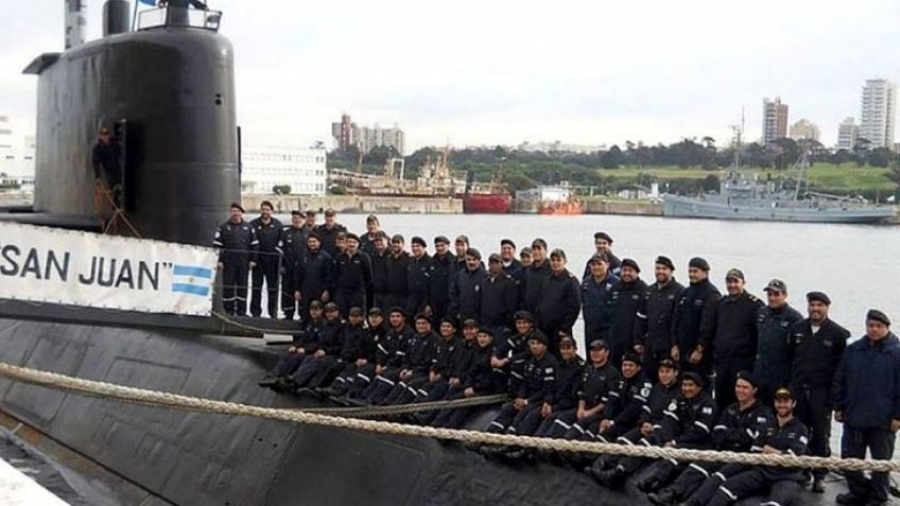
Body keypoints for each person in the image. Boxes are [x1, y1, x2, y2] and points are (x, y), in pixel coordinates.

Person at [647, 371, 772, 506]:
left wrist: (729, 434)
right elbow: (718, 433)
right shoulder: (730, 409)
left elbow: (749, 438)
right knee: (698, 466)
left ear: (754, 390)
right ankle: (671, 494)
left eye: (745, 387)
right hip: (723, 452)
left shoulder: (762, 413)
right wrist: (735, 435)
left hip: (744, 457)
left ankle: (692, 503)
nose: (740, 390)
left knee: (718, 476)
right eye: (738, 386)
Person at [589, 371, 716, 491]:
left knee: (672, 454)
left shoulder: (707, 404)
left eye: (691, 385)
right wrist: (668, 439)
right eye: (684, 385)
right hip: (675, 437)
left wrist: (674, 442)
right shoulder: (680, 398)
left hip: (696, 443)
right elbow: (668, 420)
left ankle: (652, 485)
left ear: (699, 387)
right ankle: (618, 472)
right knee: (648, 440)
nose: (687, 388)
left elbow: (699, 432)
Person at [691, 387, 809, 506]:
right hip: (762, 473)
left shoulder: (801, 428)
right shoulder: (766, 425)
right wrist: (778, 453)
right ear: (774, 403)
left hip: (786, 478)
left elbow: (794, 457)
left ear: (793, 403)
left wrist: (770, 450)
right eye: (779, 401)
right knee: (728, 486)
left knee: (774, 503)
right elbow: (755, 450)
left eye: (786, 401)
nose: (782, 405)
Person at [834, 309, 900, 506]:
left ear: (887, 327)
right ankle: (858, 492)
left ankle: (879, 497)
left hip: (883, 420)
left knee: (880, 463)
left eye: (878, 326)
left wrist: (898, 417)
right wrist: (838, 406)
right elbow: (840, 378)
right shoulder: (854, 350)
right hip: (854, 416)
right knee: (849, 460)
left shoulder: (896, 353)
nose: (874, 329)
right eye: (871, 325)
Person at [787, 290, 850, 493]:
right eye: (812, 305)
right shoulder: (797, 329)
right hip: (799, 390)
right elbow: (790, 358)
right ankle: (802, 470)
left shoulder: (837, 334)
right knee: (800, 431)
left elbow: (842, 369)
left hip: (822, 392)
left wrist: (837, 399)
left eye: (819, 305)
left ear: (827, 307)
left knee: (821, 434)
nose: (815, 309)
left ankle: (820, 475)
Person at [481, 331, 558, 444]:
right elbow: (525, 382)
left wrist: (527, 401)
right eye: (532, 343)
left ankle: (512, 441)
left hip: (540, 399)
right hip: (528, 396)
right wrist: (520, 397)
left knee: (526, 413)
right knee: (508, 409)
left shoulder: (550, 363)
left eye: (538, 344)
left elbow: (548, 388)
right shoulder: (531, 361)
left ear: (545, 346)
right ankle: (489, 436)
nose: (535, 346)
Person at [702, 268, 762, 411]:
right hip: (722, 362)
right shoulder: (721, 304)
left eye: (736, 282)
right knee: (721, 399)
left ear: (743, 282)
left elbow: (760, 334)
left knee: (740, 398)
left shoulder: (754, 304)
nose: (732, 285)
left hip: (742, 361)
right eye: (729, 282)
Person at [540, 339, 620, 441]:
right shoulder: (588, 370)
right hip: (583, 408)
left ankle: (564, 444)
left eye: (598, 350)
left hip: (599, 413)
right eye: (593, 350)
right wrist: (581, 408)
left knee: (573, 432)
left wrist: (589, 412)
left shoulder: (613, 373)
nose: (595, 353)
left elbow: (607, 401)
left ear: (607, 352)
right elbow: (581, 392)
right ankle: (541, 442)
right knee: (560, 418)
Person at [432, 326, 503, 429]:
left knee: (464, 403)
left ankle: (450, 427)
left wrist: (474, 388)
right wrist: (468, 385)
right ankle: (437, 422)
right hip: (473, 384)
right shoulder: (475, 352)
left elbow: (490, 378)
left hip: (487, 388)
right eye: (480, 336)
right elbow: (471, 371)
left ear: (490, 338)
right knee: (453, 394)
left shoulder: (493, 355)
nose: (482, 339)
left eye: (485, 336)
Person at [634, 256, 684, 383]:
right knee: (650, 377)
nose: (660, 271)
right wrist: (638, 341)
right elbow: (641, 317)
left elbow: (681, 323)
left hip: (669, 344)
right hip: (651, 344)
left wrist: (676, 345)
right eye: (658, 268)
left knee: (669, 379)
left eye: (664, 269)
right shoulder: (649, 291)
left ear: (671, 271)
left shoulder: (680, 291)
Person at [753, 279, 802, 404]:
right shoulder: (761, 313)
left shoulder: (794, 318)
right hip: (761, 375)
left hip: (781, 377)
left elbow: (799, 353)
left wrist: (791, 382)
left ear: (784, 295)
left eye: (776, 294)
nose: (772, 298)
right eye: (769, 294)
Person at [672, 257, 720, 378]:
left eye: (695, 271)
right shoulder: (685, 292)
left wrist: (700, 349)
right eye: (690, 271)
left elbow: (709, 325)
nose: (692, 274)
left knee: (698, 382)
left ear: (705, 272)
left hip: (700, 353)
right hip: (682, 349)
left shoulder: (711, 294)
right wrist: (674, 344)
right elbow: (676, 320)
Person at [213, 203, 258, 316]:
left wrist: (253, 260)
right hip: (228, 263)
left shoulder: (249, 228)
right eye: (233, 211)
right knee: (228, 286)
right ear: (230, 212)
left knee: (242, 286)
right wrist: (219, 260)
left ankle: (241, 311)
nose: (235, 213)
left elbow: (254, 245)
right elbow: (217, 245)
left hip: (243, 262)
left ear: (241, 213)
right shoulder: (223, 227)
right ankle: (229, 311)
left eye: (237, 211)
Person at [535, 249, 581, 357]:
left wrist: (565, 327)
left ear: (565, 261)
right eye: (553, 260)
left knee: (561, 357)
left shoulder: (571, 281)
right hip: (544, 328)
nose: (555, 263)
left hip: (560, 330)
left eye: (558, 260)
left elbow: (575, 307)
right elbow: (541, 302)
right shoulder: (546, 280)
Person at [603, 258, 647, 368]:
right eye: (624, 270)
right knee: (614, 366)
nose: (627, 273)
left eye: (630, 271)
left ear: (637, 272)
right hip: (615, 338)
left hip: (633, 339)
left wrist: (640, 340)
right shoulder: (615, 288)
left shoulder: (644, 289)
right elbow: (608, 312)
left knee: (632, 367)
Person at [249, 201, 283, 318]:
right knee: (256, 288)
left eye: (267, 209)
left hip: (272, 263)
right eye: (263, 209)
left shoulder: (278, 225)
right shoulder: (253, 224)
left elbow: (281, 244)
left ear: (271, 211)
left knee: (272, 289)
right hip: (258, 262)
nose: (265, 212)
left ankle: (273, 313)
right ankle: (255, 313)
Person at [581, 253, 619, 352]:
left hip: (608, 330)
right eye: (593, 264)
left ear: (607, 265)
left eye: (599, 264)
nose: (596, 267)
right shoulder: (586, 283)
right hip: (590, 330)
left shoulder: (616, 283)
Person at [293, 234, 333, 322]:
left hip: (319, 291)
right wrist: (297, 289)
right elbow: (297, 274)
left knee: (319, 315)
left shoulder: (326, 257)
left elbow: (329, 275)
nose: (312, 244)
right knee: (304, 315)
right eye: (310, 242)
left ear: (319, 243)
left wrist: (326, 290)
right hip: (305, 291)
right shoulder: (302, 256)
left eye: (314, 242)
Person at [333, 234, 374, 318]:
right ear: (345, 243)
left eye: (354, 242)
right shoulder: (339, 257)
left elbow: (368, 277)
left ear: (358, 244)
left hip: (357, 293)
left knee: (357, 316)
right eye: (349, 242)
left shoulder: (364, 257)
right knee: (343, 316)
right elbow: (335, 275)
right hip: (342, 293)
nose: (351, 244)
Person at [479, 253, 518, 339]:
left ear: (501, 264)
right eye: (492, 263)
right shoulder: (484, 282)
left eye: (497, 263)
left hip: (501, 325)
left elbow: (511, 305)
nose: (494, 265)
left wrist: (508, 325)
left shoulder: (508, 282)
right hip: (485, 324)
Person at [279, 211, 309, 321]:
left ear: (304, 220)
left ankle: (302, 314)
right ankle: (288, 314)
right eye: (295, 218)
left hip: (303, 268)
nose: (297, 220)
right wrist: (282, 265)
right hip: (288, 267)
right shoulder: (285, 233)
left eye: (299, 218)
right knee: (287, 291)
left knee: (303, 291)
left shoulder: (309, 233)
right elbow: (280, 251)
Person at [448, 248, 487, 323]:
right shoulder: (460, 275)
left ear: (479, 261)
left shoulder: (485, 276)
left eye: (474, 260)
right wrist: (456, 312)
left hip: (479, 319)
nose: (471, 262)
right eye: (468, 260)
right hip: (462, 317)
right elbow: (453, 294)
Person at [426, 236, 455, 327]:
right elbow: (428, 284)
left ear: (448, 246)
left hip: (448, 303)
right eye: (437, 246)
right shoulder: (432, 262)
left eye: (442, 245)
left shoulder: (453, 262)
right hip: (434, 303)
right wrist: (427, 303)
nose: (439, 248)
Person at [91, 127, 123, 206]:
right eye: (103, 134)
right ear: (100, 136)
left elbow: (121, 153)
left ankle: (119, 205)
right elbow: (96, 162)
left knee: (121, 187)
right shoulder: (98, 148)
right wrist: (97, 176)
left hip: (119, 169)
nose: (105, 136)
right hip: (109, 172)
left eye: (106, 134)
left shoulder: (114, 143)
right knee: (114, 188)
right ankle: (116, 207)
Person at [521, 239, 551, 313]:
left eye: (539, 249)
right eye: (534, 249)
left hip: (547, 314)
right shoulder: (528, 270)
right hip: (529, 314)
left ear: (546, 251)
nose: (536, 252)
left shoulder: (552, 269)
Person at [383, 234, 411, 311]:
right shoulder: (389, 258)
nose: (395, 245)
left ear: (403, 244)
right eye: (394, 243)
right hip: (390, 295)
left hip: (404, 295)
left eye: (398, 243)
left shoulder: (409, 258)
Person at [406, 237, 431, 316]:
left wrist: (429, 303)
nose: (415, 248)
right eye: (413, 246)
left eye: (417, 246)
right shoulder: (411, 261)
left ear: (423, 247)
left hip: (424, 300)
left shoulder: (430, 262)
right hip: (412, 300)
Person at [369, 232, 390, 310]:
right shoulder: (373, 255)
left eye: (380, 240)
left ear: (387, 240)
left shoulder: (391, 255)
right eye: (376, 241)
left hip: (389, 293)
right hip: (377, 292)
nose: (378, 243)